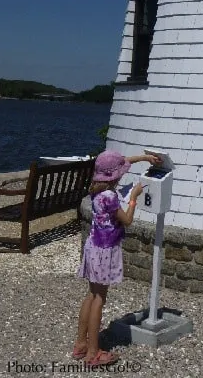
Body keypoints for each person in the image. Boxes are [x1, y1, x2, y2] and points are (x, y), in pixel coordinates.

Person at [72, 149, 162, 366]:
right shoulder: (111, 198)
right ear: (115, 175)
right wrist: (133, 199)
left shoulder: (95, 190)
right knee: (99, 299)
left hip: (93, 246)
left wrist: (143, 158)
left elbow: (118, 163)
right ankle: (94, 352)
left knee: (91, 295)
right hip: (105, 251)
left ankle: (80, 344)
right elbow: (127, 220)